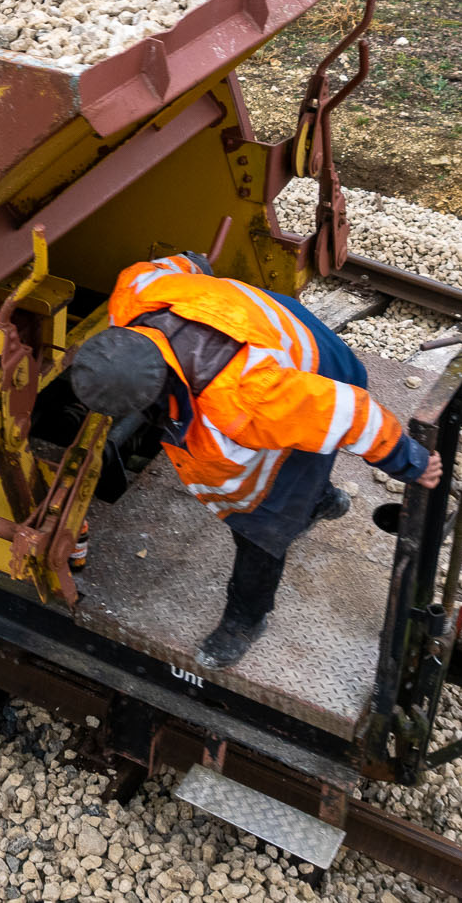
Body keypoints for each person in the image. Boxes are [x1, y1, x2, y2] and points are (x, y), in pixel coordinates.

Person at [64, 252, 440, 670]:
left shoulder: (244, 400)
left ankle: (246, 620)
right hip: (283, 340)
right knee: (302, 448)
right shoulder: (133, 293)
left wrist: (414, 464)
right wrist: (199, 268)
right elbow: (184, 263)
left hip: (317, 372)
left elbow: (354, 415)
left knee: (261, 528)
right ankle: (320, 500)